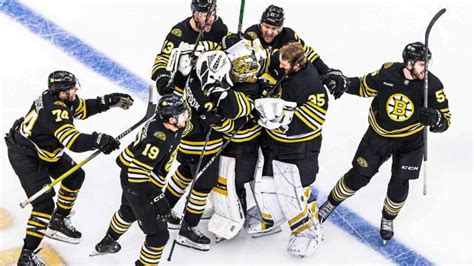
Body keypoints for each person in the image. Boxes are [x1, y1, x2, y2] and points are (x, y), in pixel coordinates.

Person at [317, 42, 452, 244]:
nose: (426, 68)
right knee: (358, 177)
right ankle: (330, 203)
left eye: (427, 63)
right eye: (421, 64)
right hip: (378, 137)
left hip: (411, 142)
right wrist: (345, 83)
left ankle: (388, 219)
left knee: (399, 183)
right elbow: (363, 85)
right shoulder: (388, 72)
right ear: (409, 63)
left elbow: (446, 120)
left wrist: (436, 119)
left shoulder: (433, 86)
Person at [5, 70, 132, 265]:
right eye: (72, 88)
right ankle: (26, 256)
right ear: (62, 92)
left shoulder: (60, 100)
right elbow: (73, 141)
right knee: (43, 205)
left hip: (46, 150)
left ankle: (58, 220)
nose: (76, 90)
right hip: (27, 156)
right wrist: (98, 140)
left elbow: (82, 108)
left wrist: (108, 101)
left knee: (75, 176)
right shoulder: (55, 110)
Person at [163, 49, 256, 251]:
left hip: (186, 142)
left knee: (184, 174)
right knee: (203, 185)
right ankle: (188, 229)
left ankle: (162, 210)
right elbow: (231, 117)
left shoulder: (193, 77)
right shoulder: (210, 98)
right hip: (202, 148)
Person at [251, 42, 328, 257]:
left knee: (296, 189)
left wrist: (280, 122)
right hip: (276, 143)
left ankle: (309, 230)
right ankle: (271, 217)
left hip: (300, 148)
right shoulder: (286, 67)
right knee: (268, 182)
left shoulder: (311, 85)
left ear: (297, 65)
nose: (281, 66)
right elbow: (271, 76)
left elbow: (314, 119)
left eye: (285, 64)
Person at [92, 94, 189, 265]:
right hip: (139, 184)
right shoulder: (158, 140)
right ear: (171, 119)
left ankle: (107, 242)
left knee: (128, 211)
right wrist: (159, 199)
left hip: (131, 174)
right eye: (182, 114)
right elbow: (138, 176)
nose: (186, 116)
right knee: (159, 236)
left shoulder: (170, 124)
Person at [151, 0, 229, 97]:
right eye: (206, 16)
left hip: (207, 89)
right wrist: (162, 78)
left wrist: (233, 40)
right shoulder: (179, 33)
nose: (211, 19)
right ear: (195, 14)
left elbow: (227, 47)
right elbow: (163, 58)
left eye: (213, 14)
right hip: (180, 91)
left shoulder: (218, 27)